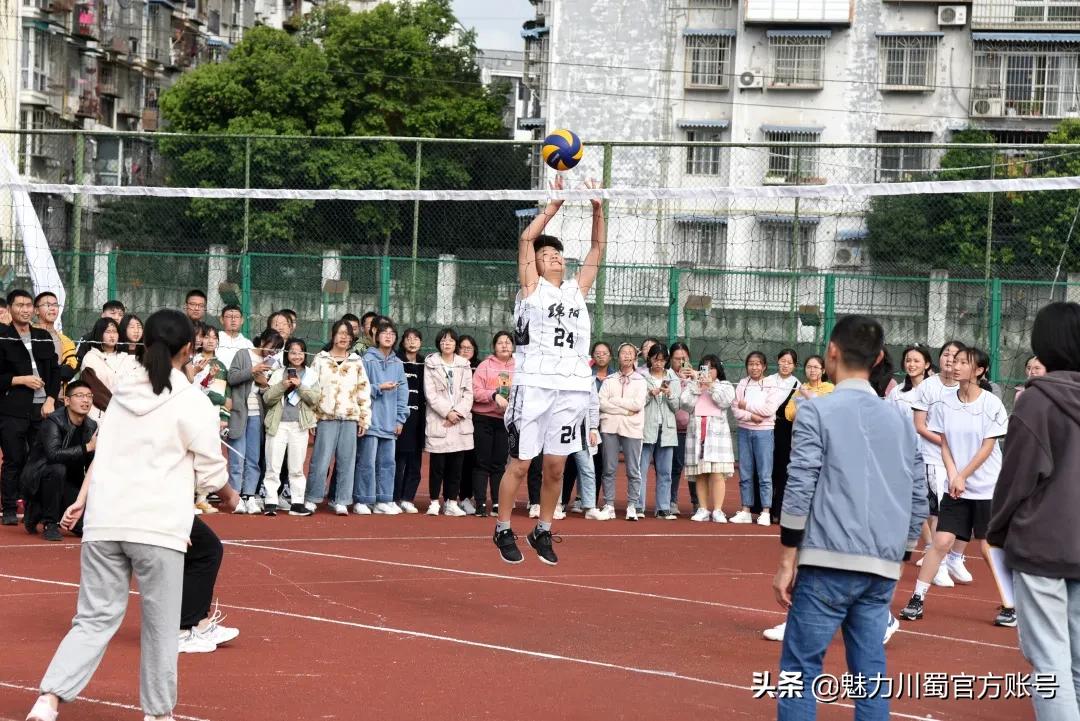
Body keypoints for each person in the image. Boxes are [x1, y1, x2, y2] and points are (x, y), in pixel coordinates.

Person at [24, 308, 239, 721]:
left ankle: (48, 701)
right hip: (158, 526)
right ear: (189, 349)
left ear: (141, 345)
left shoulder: (121, 393)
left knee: (93, 619)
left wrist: (84, 501)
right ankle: (158, 714)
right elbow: (211, 469)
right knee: (160, 629)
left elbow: (104, 450)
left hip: (106, 521)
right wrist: (229, 494)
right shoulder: (192, 401)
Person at [773, 314, 927, 721]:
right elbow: (918, 492)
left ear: (832, 353)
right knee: (870, 670)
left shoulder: (816, 411)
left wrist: (788, 557)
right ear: (878, 359)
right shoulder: (901, 419)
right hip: (882, 564)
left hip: (827, 561)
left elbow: (800, 483)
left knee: (799, 670)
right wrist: (905, 549)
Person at [494, 174, 605, 566]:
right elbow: (526, 241)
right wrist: (552, 209)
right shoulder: (531, 289)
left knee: (557, 467)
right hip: (535, 384)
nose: (554, 256)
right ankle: (503, 526)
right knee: (522, 464)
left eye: (557, 253)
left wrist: (597, 207)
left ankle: (542, 527)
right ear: (536, 266)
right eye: (547, 254)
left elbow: (597, 247)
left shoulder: (576, 290)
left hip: (572, 387)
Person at [989, 301, 1080, 721]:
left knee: (1049, 662)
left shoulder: (1036, 402)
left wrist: (997, 530)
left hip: (1042, 543)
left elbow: (1016, 480)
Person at [899, 346, 1014, 627]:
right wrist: (953, 475)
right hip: (957, 485)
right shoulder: (945, 402)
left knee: (988, 547)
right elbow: (945, 442)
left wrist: (963, 475)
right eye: (955, 360)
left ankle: (1010, 605)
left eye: (964, 362)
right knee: (941, 541)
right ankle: (917, 598)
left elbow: (988, 448)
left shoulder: (991, 404)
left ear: (979, 371)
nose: (955, 365)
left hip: (987, 486)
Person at [911, 340, 971, 587]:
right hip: (934, 457)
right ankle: (939, 565)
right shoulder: (928, 387)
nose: (950, 359)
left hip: (963, 459)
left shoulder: (969, 389)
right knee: (938, 510)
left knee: (966, 507)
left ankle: (956, 557)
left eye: (957, 357)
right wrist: (948, 443)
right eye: (946, 354)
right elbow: (920, 425)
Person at [0, 289, 61, 525]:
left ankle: (33, 508)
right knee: (14, 458)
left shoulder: (42, 336)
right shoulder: (3, 337)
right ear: (10, 309)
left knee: (39, 459)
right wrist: (21, 379)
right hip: (12, 408)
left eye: (28, 305)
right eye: (19, 305)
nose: (25, 309)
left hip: (42, 409)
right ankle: (9, 508)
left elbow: (55, 372)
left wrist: (50, 399)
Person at [305, 320, 371, 515]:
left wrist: (364, 418)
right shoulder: (320, 360)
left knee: (347, 461)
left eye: (348, 334)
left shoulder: (356, 361)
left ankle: (341, 499)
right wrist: (311, 417)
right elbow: (311, 389)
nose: (344, 337)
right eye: (340, 333)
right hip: (325, 417)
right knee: (320, 459)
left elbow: (363, 390)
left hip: (350, 418)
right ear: (333, 335)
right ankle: (312, 497)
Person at [20, 381, 97, 541]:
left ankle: (41, 511)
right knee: (58, 469)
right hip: (39, 478)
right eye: (80, 396)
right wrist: (87, 447)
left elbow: (91, 465)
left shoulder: (91, 425)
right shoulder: (54, 421)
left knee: (84, 528)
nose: (86, 400)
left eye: (89, 396)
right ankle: (49, 522)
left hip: (70, 482)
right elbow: (53, 455)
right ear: (67, 400)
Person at [227, 328, 285, 513]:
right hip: (239, 412)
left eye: (276, 350)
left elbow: (269, 393)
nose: (272, 352)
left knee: (254, 458)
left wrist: (263, 384)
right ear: (262, 341)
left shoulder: (273, 364)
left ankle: (249, 496)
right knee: (237, 457)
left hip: (257, 415)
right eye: (271, 347)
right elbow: (232, 378)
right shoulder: (243, 354)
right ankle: (235, 497)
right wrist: (252, 371)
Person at [261, 338, 320, 517]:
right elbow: (267, 399)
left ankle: (297, 502)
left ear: (305, 354)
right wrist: (282, 385)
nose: (297, 356)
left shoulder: (311, 375)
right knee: (273, 464)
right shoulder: (278, 373)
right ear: (287, 354)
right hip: (278, 425)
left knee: (296, 466)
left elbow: (315, 399)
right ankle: (270, 501)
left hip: (299, 425)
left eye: (300, 352)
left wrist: (300, 386)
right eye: (293, 352)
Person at [356, 319, 408, 515]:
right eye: (385, 333)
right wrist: (378, 388)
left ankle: (384, 499)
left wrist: (400, 419)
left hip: (390, 422)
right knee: (367, 462)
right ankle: (363, 499)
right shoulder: (366, 360)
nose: (389, 336)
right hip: (370, 420)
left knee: (388, 463)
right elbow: (359, 388)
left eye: (392, 334)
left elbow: (403, 392)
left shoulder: (397, 363)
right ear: (376, 336)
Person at [424, 328, 474, 517]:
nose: (447, 343)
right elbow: (431, 394)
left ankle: (452, 502)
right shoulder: (431, 364)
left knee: (456, 466)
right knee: (437, 465)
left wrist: (458, 413)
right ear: (439, 343)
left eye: (451, 341)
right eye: (444, 340)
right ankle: (434, 501)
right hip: (440, 419)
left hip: (459, 422)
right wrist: (447, 413)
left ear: (456, 344)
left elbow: (469, 393)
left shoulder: (464, 364)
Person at [681, 354, 735, 523]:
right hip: (696, 432)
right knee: (701, 474)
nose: (708, 371)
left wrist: (710, 385)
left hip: (717, 436)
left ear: (718, 369)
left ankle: (718, 510)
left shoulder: (724, 386)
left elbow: (724, 401)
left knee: (717, 473)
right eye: (704, 367)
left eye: (712, 367)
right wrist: (696, 384)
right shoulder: (693, 385)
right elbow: (685, 404)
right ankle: (703, 508)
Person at [731, 351, 783, 525]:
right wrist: (751, 416)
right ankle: (746, 509)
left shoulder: (771, 384)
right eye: (751, 364)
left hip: (764, 433)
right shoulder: (742, 384)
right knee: (745, 472)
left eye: (758, 364)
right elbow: (735, 409)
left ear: (764, 366)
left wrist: (747, 406)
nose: (754, 367)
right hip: (745, 431)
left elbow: (769, 410)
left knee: (764, 473)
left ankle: (766, 511)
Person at [598, 343, 648, 521]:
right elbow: (602, 403)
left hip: (633, 428)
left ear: (635, 358)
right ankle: (609, 504)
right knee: (609, 468)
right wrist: (624, 409)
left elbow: (637, 405)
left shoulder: (641, 381)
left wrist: (615, 402)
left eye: (630, 353)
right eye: (623, 353)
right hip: (610, 427)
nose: (626, 356)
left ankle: (632, 505)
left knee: (633, 469)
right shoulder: (609, 380)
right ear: (617, 357)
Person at [471, 331, 515, 516]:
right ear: (494, 347)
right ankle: (480, 502)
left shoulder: (520, 367)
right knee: (482, 462)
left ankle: (498, 502)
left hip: (505, 421)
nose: (504, 345)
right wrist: (493, 394)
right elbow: (475, 391)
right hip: (484, 419)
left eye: (507, 342)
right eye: (500, 343)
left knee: (499, 464)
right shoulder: (484, 366)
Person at [640, 343, 681, 519]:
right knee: (640, 470)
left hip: (667, 430)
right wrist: (650, 394)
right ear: (650, 359)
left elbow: (677, 406)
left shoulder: (674, 378)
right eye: (656, 359)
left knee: (665, 471)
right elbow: (638, 403)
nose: (659, 363)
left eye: (663, 359)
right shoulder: (641, 377)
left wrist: (669, 394)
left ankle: (663, 507)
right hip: (646, 428)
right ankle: (637, 505)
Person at [765, 349, 800, 517]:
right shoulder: (768, 380)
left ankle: (777, 510)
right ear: (777, 361)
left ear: (794, 366)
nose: (785, 365)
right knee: (766, 468)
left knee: (781, 469)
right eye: (783, 361)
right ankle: (763, 508)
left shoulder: (797, 385)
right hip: (765, 426)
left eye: (789, 362)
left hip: (785, 431)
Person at [394, 328, 425, 513]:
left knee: (415, 460)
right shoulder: (396, 361)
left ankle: (408, 497)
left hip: (419, 418)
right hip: (400, 416)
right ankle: (394, 497)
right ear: (403, 342)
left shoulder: (425, 363)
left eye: (416, 338)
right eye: (408, 338)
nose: (412, 341)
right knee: (398, 460)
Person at [78, 318, 133, 425]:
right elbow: (95, 390)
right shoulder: (90, 358)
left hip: (126, 413)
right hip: (99, 414)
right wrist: (116, 409)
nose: (112, 335)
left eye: (115, 331)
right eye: (108, 332)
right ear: (99, 334)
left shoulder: (126, 358)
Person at [668, 342, 695, 514]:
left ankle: (697, 503)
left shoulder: (696, 377)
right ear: (670, 360)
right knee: (675, 467)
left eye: (684, 359)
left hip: (693, 429)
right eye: (677, 359)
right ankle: (671, 501)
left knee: (694, 468)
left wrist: (692, 378)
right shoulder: (667, 376)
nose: (680, 362)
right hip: (673, 430)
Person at [456, 334, 481, 513]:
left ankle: (466, 497)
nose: (465, 351)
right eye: (462, 347)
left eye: (469, 348)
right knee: (454, 460)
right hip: (454, 417)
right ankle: (451, 497)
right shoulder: (450, 365)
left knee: (472, 460)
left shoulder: (480, 367)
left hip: (476, 418)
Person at [34, 292, 77, 389]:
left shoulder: (66, 341)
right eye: (48, 305)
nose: (53, 308)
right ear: (36, 310)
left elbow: (70, 370)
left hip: (58, 397)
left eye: (56, 305)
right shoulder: (27, 335)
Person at [216, 304, 252, 369]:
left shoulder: (247, 343)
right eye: (229, 317)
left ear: (242, 320)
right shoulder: (215, 338)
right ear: (221, 320)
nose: (233, 320)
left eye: (237, 317)